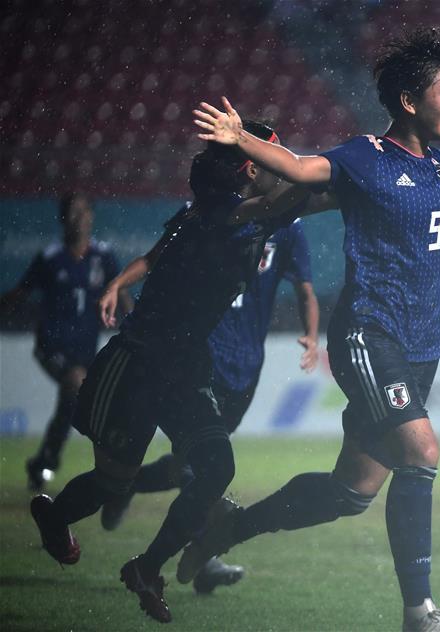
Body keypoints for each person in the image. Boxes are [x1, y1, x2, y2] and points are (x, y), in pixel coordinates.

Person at [181, 28, 440, 632]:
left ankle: (228, 528)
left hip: (420, 348)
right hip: (367, 336)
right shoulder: (365, 157)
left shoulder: (435, 165)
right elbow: (300, 167)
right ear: (410, 100)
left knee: (349, 492)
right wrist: (239, 137)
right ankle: (418, 613)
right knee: (422, 454)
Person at [29, 120, 329, 623]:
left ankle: (147, 567)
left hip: (187, 366)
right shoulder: (230, 214)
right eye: (273, 160)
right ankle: (54, 514)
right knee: (112, 482)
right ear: (253, 168)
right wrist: (360, 171)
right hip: (138, 363)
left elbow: (302, 200)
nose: (282, 168)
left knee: (216, 468)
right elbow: (296, 196)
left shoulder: (218, 214)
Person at [95, 210, 320, 595]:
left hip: (246, 365)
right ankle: (202, 557)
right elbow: (156, 257)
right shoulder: (208, 210)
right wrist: (118, 283)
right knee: (211, 464)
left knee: (191, 465)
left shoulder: (288, 227)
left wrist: (312, 334)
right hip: (202, 355)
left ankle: (128, 485)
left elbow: (305, 287)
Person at [0, 193, 129, 491]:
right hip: (51, 347)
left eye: (84, 211)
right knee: (74, 383)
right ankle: (64, 465)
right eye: (73, 212)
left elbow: (120, 294)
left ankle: (43, 462)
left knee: (71, 403)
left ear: (92, 217)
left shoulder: (103, 256)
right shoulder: (49, 258)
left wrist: (135, 325)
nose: (79, 218)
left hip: (86, 351)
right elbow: (20, 294)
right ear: (62, 219)